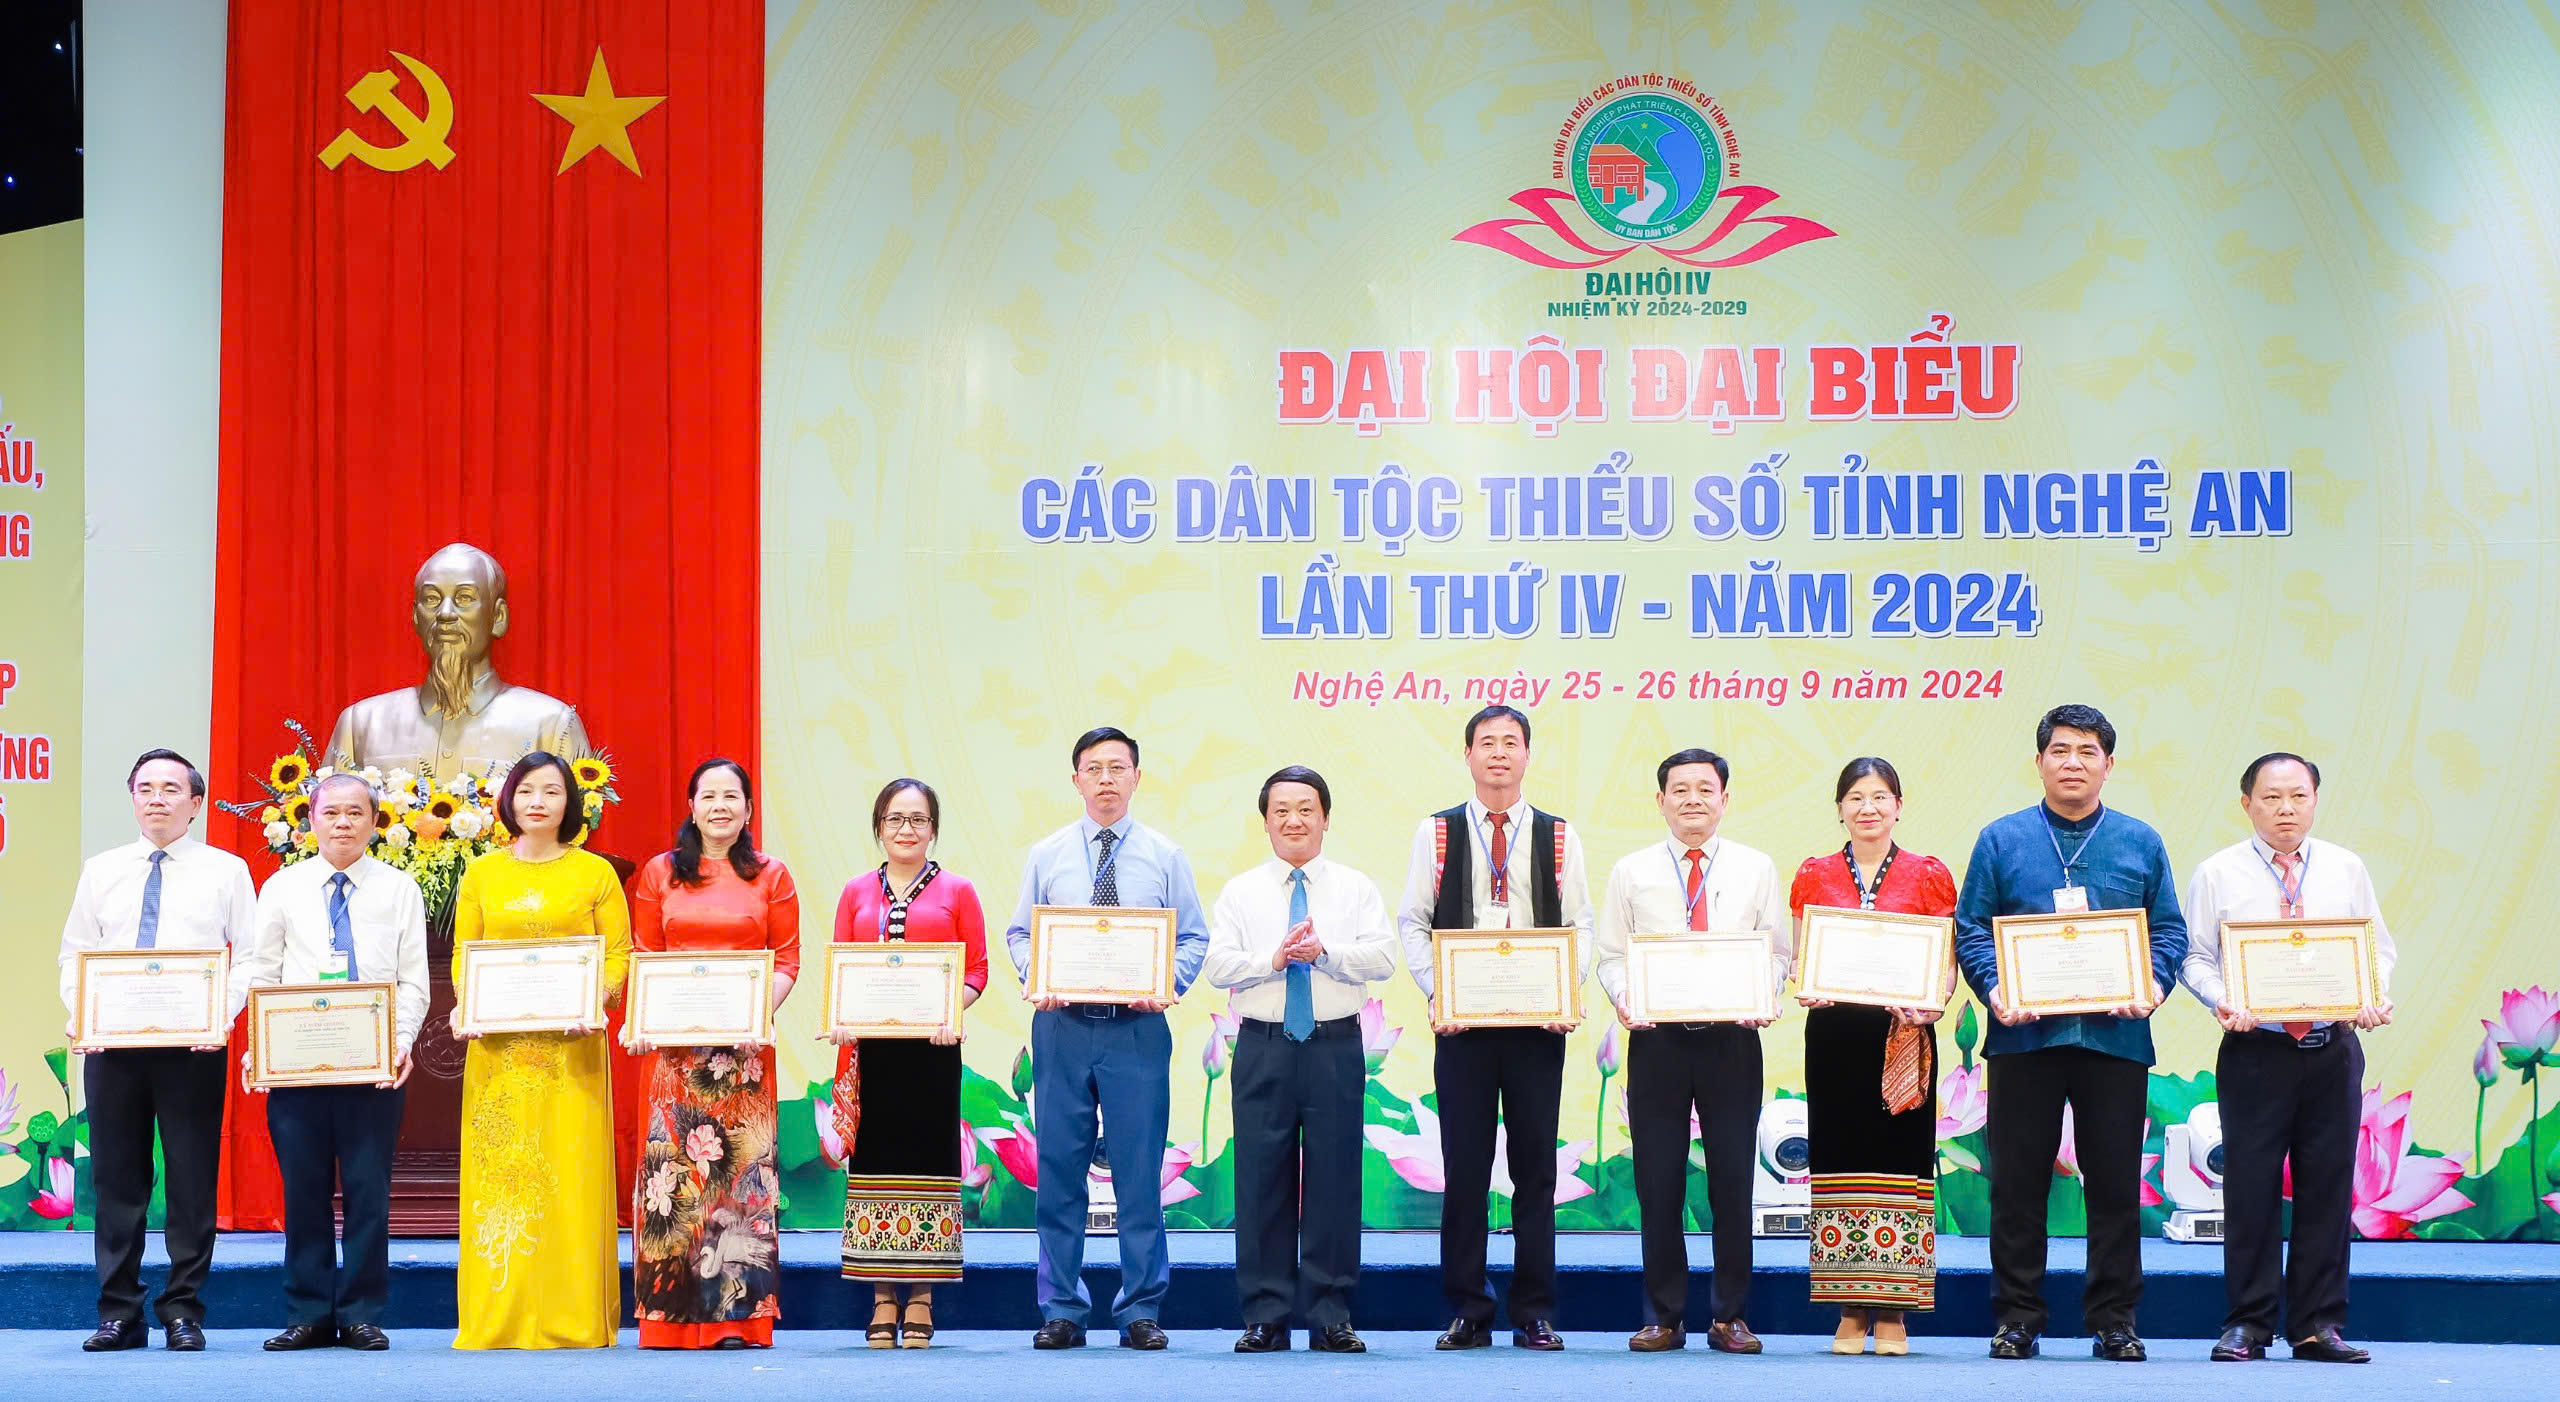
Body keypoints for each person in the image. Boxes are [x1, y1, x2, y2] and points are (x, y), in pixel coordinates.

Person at [1954, 704, 2186, 1363]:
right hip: (2024, 1041)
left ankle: (2115, 1320)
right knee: (2017, 1186)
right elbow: (1971, 929)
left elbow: (2168, 930)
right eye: (2060, 751)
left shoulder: (2140, 841)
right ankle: (2017, 1318)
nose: (2073, 763)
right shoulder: (2002, 840)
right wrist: (1995, 990)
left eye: (2087, 752)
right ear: (2039, 762)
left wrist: (2154, 985)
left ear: (2109, 765)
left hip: (2114, 1041)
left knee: (2113, 1186)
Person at [2182, 752, 2393, 1365]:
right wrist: (2222, 1000)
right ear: (2246, 803)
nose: (2286, 810)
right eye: (2271, 798)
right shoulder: (2218, 872)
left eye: (2298, 796)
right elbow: (2195, 957)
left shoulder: (2346, 867)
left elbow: (2376, 948)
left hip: (2332, 1049)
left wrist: (2372, 994)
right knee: (2250, 1186)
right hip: (2256, 1049)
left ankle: (2317, 1325)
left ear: (2315, 800)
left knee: (2327, 1185)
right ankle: (2248, 1324)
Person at [1005, 726, 1208, 1351]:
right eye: (1094, 768)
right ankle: (1062, 1308)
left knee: (1139, 1174)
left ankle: (1140, 1307)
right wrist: (1038, 978)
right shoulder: (1046, 855)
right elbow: (1020, 935)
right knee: (1059, 1171)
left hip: (1137, 1029)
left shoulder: (1166, 856)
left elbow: (1193, 938)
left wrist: (1166, 984)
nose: (1106, 779)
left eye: (1118, 767)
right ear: (1076, 780)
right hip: (1062, 1027)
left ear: (1137, 778)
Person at [1396, 705, 1592, 1352]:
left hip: (1538, 1026)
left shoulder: (1559, 835)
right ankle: (1469, 1310)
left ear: (1528, 755)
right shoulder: (1438, 831)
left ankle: (1534, 1311)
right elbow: (1413, 921)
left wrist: (1567, 990)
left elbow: (1581, 924)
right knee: (1466, 1169)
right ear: (1468, 755)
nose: (1499, 753)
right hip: (1463, 1029)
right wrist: (1438, 991)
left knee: (1536, 1171)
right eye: (1487, 743)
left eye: (1511, 742)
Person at [58, 749, 256, 1353]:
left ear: (195, 804)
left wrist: (218, 1017)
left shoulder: (227, 870)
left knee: (192, 1180)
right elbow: (75, 952)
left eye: (171, 789)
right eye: (145, 789)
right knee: (118, 1180)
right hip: (113, 1046)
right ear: (132, 799)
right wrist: (83, 1015)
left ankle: (183, 1310)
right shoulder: (102, 870)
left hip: (193, 1046)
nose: (157, 799)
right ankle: (119, 1313)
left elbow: (249, 956)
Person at [1594, 747, 1786, 1355]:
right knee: (1658, 1181)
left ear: (1725, 799)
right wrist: (1626, 998)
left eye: (1706, 789)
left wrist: (1765, 993)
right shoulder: (1631, 871)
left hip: (1733, 1039)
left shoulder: (1757, 867)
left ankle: (1731, 1317)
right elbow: (1611, 956)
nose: (1693, 800)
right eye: (1680, 790)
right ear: (1661, 801)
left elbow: (1777, 952)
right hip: (1657, 1040)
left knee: (1731, 1179)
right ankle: (1664, 1316)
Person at [1204, 765, 1397, 1355]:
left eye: (1306, 809)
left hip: (1334, 1045)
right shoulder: (1240, 892)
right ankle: (1266, 1315)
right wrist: (1275, 959)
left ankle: (1330, 1314)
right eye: (1281, 810)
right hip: (1262, 1045)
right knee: (1260, 1178)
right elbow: (1217, 967)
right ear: (1265, 822)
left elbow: (1383, 958)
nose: (1294, 820)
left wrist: (1325, 953)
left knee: (1335, 1178)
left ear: (1326, 819)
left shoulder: (1356, 888)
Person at [238, 773, 430, 1351]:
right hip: (296, 1065)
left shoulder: (400, 889)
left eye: (355, 813)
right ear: (311, 821)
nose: (343, 823)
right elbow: (262, 973)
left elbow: (413, 981)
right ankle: (309, 1313)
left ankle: (363, 1313)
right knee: (303, 1191)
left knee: (369, 1193)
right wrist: (259, 1045)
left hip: (372, 1066)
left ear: (375, 822)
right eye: (331, 813)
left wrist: (400, 1042)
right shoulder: (282, 886)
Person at [449, 750, 631, 1349]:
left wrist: (593, 999)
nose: (538, 802)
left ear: (570, 803)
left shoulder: (595, 874)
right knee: (503, 1185)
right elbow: (465, 956)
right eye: (527, 790)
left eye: (552, 791)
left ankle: (573, 1318)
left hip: (572, 1054)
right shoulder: (482, 874)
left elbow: (618, 956)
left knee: (570, 1181)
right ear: (509, 799)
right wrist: (468, 1005)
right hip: (498, 1057)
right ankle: (499, 1319)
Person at [624, 758, 801, 1349]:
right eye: (709, 796)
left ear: (748, 809)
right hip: (675, 1059)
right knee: (672, 1186)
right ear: (692, 807)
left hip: (743, 1060)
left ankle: (736, 1319)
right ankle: (669, 1322)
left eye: (732, 796)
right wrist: (644, 1021)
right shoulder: (660, 873)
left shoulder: (772, 876)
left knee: (738, 1186)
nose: (720, 806)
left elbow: (787, 960)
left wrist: (758, 1015)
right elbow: (644, 957)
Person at [1786, 757, 1959, 1356]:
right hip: (1834, 1038)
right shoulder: (1814, 873)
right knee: (1839, 1163)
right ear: (1840, 807)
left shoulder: (1927, 873)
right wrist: (1803, 980)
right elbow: (1800, 955)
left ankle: (1894, 1310)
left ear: (1898, 806)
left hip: (1903, 1036)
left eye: (1880, 796)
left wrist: (1933, 1002)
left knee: (1900, 1163)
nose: (1868, 807)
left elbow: (1945, 962)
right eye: (1856, 797)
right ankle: (1850, 1308)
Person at [829, 777, 989, 1348]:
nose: (906, 829)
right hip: (872, 1054)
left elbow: (977, 970)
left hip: (933, 1054)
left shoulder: (958, 890)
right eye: (895, 819)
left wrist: (951, 1009)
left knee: (930, 1162)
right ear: (879, 827)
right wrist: (842, 1018)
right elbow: (842, 967)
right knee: (874, 1164)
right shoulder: (855, 892)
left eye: (918, 819)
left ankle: (921, 1296)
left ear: (933, 830)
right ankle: (881, 1297)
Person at [323, 542, 590, 776]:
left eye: (464, 598)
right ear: (416, 617)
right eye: (431, 599)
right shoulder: (362, 724)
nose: (446, 613)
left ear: (498, 617)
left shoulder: (551, 725)